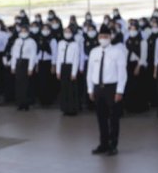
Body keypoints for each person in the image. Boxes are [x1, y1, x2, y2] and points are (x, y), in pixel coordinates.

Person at [87, 25, 127, 156]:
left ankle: (113, 145)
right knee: (101, 118)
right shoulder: (94, 52)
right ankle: (103, 144)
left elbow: (122, 73)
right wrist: (90, 89)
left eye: (106, 37)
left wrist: (119, 91)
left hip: (112, 88)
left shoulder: (118, 51)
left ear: (110, 37)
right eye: (101, 36)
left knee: (113, 118)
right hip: (98, 88)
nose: (103, 39)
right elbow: (90, 72)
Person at [123, 22, 149, 113]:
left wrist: (138, 66)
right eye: (131, 29)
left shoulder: (142, 41)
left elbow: (143, 55)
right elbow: (125, 53)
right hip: (129, 64)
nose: (132, 31)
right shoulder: (127, 41)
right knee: (130, 86)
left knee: (139, 86)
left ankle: (140, 107)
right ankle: (130, 107)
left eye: (134, 29)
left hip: (138, 65)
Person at [56, 26, 81, 116]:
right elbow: (58, 57)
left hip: (70, 67)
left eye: (69, 32)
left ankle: (72, 109)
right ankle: (65, 108)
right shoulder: (61, 43)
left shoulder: (75, 44)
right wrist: (58, 70)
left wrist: (74, 72)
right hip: (63, 67)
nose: (67, 33)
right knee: (64, 88)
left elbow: (76, 59)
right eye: (65, 31)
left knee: (71, 89)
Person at [11, 24, 37, 111]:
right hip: (18, 62)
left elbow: (33, 55)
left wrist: (30, 68)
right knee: (18, 83)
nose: (23, 33)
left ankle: (26, 103)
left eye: (25, 31)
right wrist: (13, 65)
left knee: (26, 84)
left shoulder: (31, 42)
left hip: (26, 63)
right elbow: (14, 54)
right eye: (21, 31)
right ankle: (19, 103)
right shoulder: (17, 41)